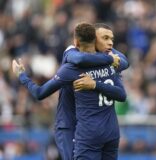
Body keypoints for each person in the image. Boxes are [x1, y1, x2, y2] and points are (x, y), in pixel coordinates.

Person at [12, 23, 127, 160]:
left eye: (111, 39)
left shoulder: (73, 67)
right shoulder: (108, 62)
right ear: (95, 40)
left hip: (87, 130)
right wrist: (109, 59)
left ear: (76, 41)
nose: (110, 43)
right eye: (106, 38)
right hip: (78, 125)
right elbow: (121, 89)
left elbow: (39, 93)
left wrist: (22, 76)